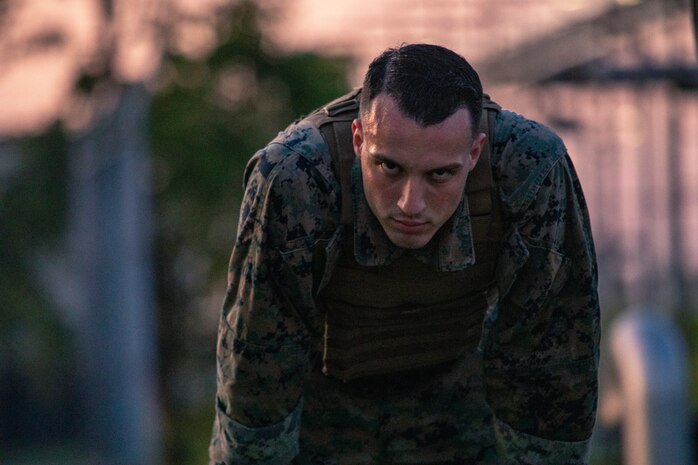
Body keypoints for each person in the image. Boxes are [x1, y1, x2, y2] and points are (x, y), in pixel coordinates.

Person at [209, 43, 600, 465]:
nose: (410, 204)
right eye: (390, 168)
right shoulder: (295, 179)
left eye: (440, 175)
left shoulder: (530, 169)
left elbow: (553, 368)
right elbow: (258, 375)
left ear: (474, 153)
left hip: (464, 417)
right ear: (359, 139)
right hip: (321, 427)